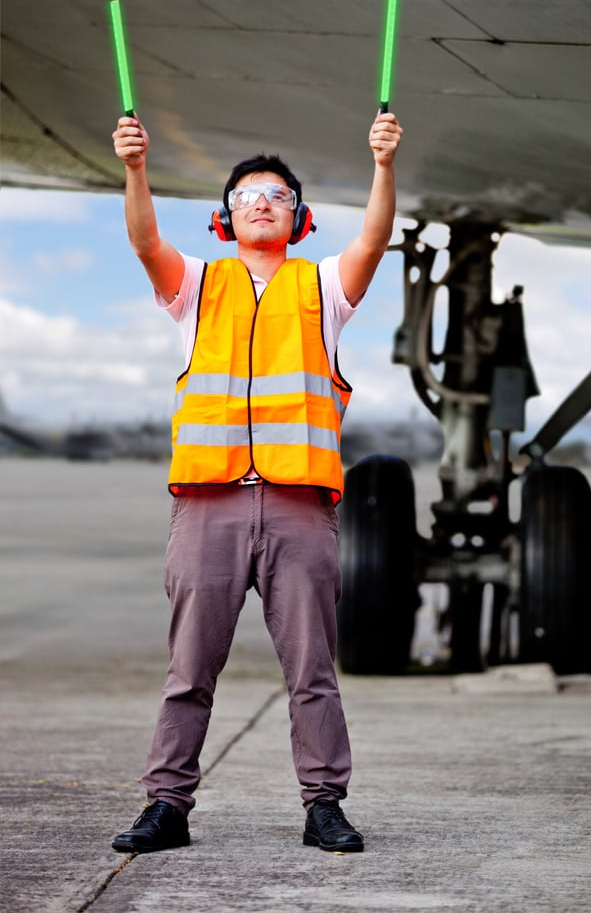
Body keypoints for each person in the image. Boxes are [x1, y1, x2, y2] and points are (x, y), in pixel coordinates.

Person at [110, 108, 403, 855]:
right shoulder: (194, 289)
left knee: (311, 671)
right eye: (246, 196)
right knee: (188, 671)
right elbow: (144, 240)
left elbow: (372, 238)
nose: (261, 202)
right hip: (207, 508)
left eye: (276, 194)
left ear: (299, 219)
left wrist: (382, 165)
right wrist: (135, 168)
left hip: (298, 509)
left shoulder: (325, 290)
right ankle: (167, 807)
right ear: (223, 219)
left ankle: (324, 805)